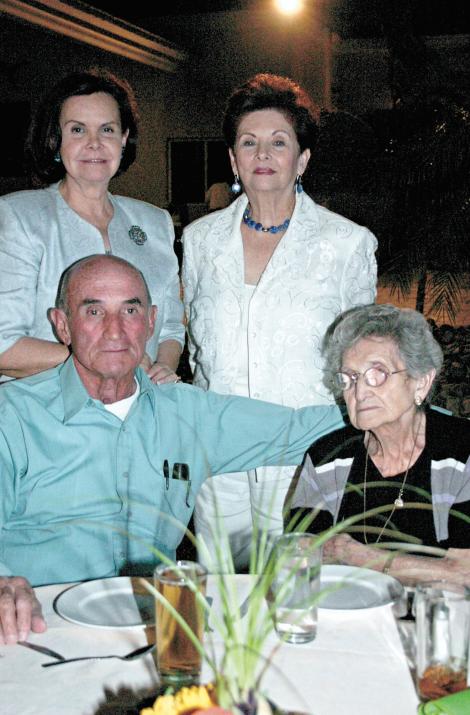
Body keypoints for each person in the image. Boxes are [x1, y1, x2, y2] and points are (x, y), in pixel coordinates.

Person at [0, 254, 343, 644]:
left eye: (130, 310)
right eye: (93, 311)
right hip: (40, 627)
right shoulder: (12, 416)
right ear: (62, 325)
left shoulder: (187, 413)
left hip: (156, 633)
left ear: (150, 322)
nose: (115, 331)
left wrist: (409, 408)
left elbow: (302, 430)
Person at [182, 73, 377, 569]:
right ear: (233, 159)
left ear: (302, 159)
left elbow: (363, 356)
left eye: (278, 142)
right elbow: (192, 345)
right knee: (222, 599)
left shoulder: (348, 244)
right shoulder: (200, 241)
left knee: (303, 597)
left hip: (308, 455)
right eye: (249, 143)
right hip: (217, 457)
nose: (262, 154)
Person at [0, 69, 183, 383]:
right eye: (77, 130)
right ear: (55, 140)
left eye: (107, 129)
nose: (94, 143)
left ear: (124, 138)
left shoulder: (155, 223)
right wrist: (106, 362)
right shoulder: (19, 216)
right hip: (43, 416)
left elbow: (170, 328)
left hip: (138, 415)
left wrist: (162, 368)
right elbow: (4, 347)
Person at [289, 303, 470, 586]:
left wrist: (354, 555)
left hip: (439, 622)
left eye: (378, 373)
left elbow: (464, 574)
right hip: (347, 619)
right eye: (348, 378)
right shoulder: (327, 458)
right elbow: (301, 560)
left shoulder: (461, 454)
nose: (359, 391)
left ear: (421, 382)